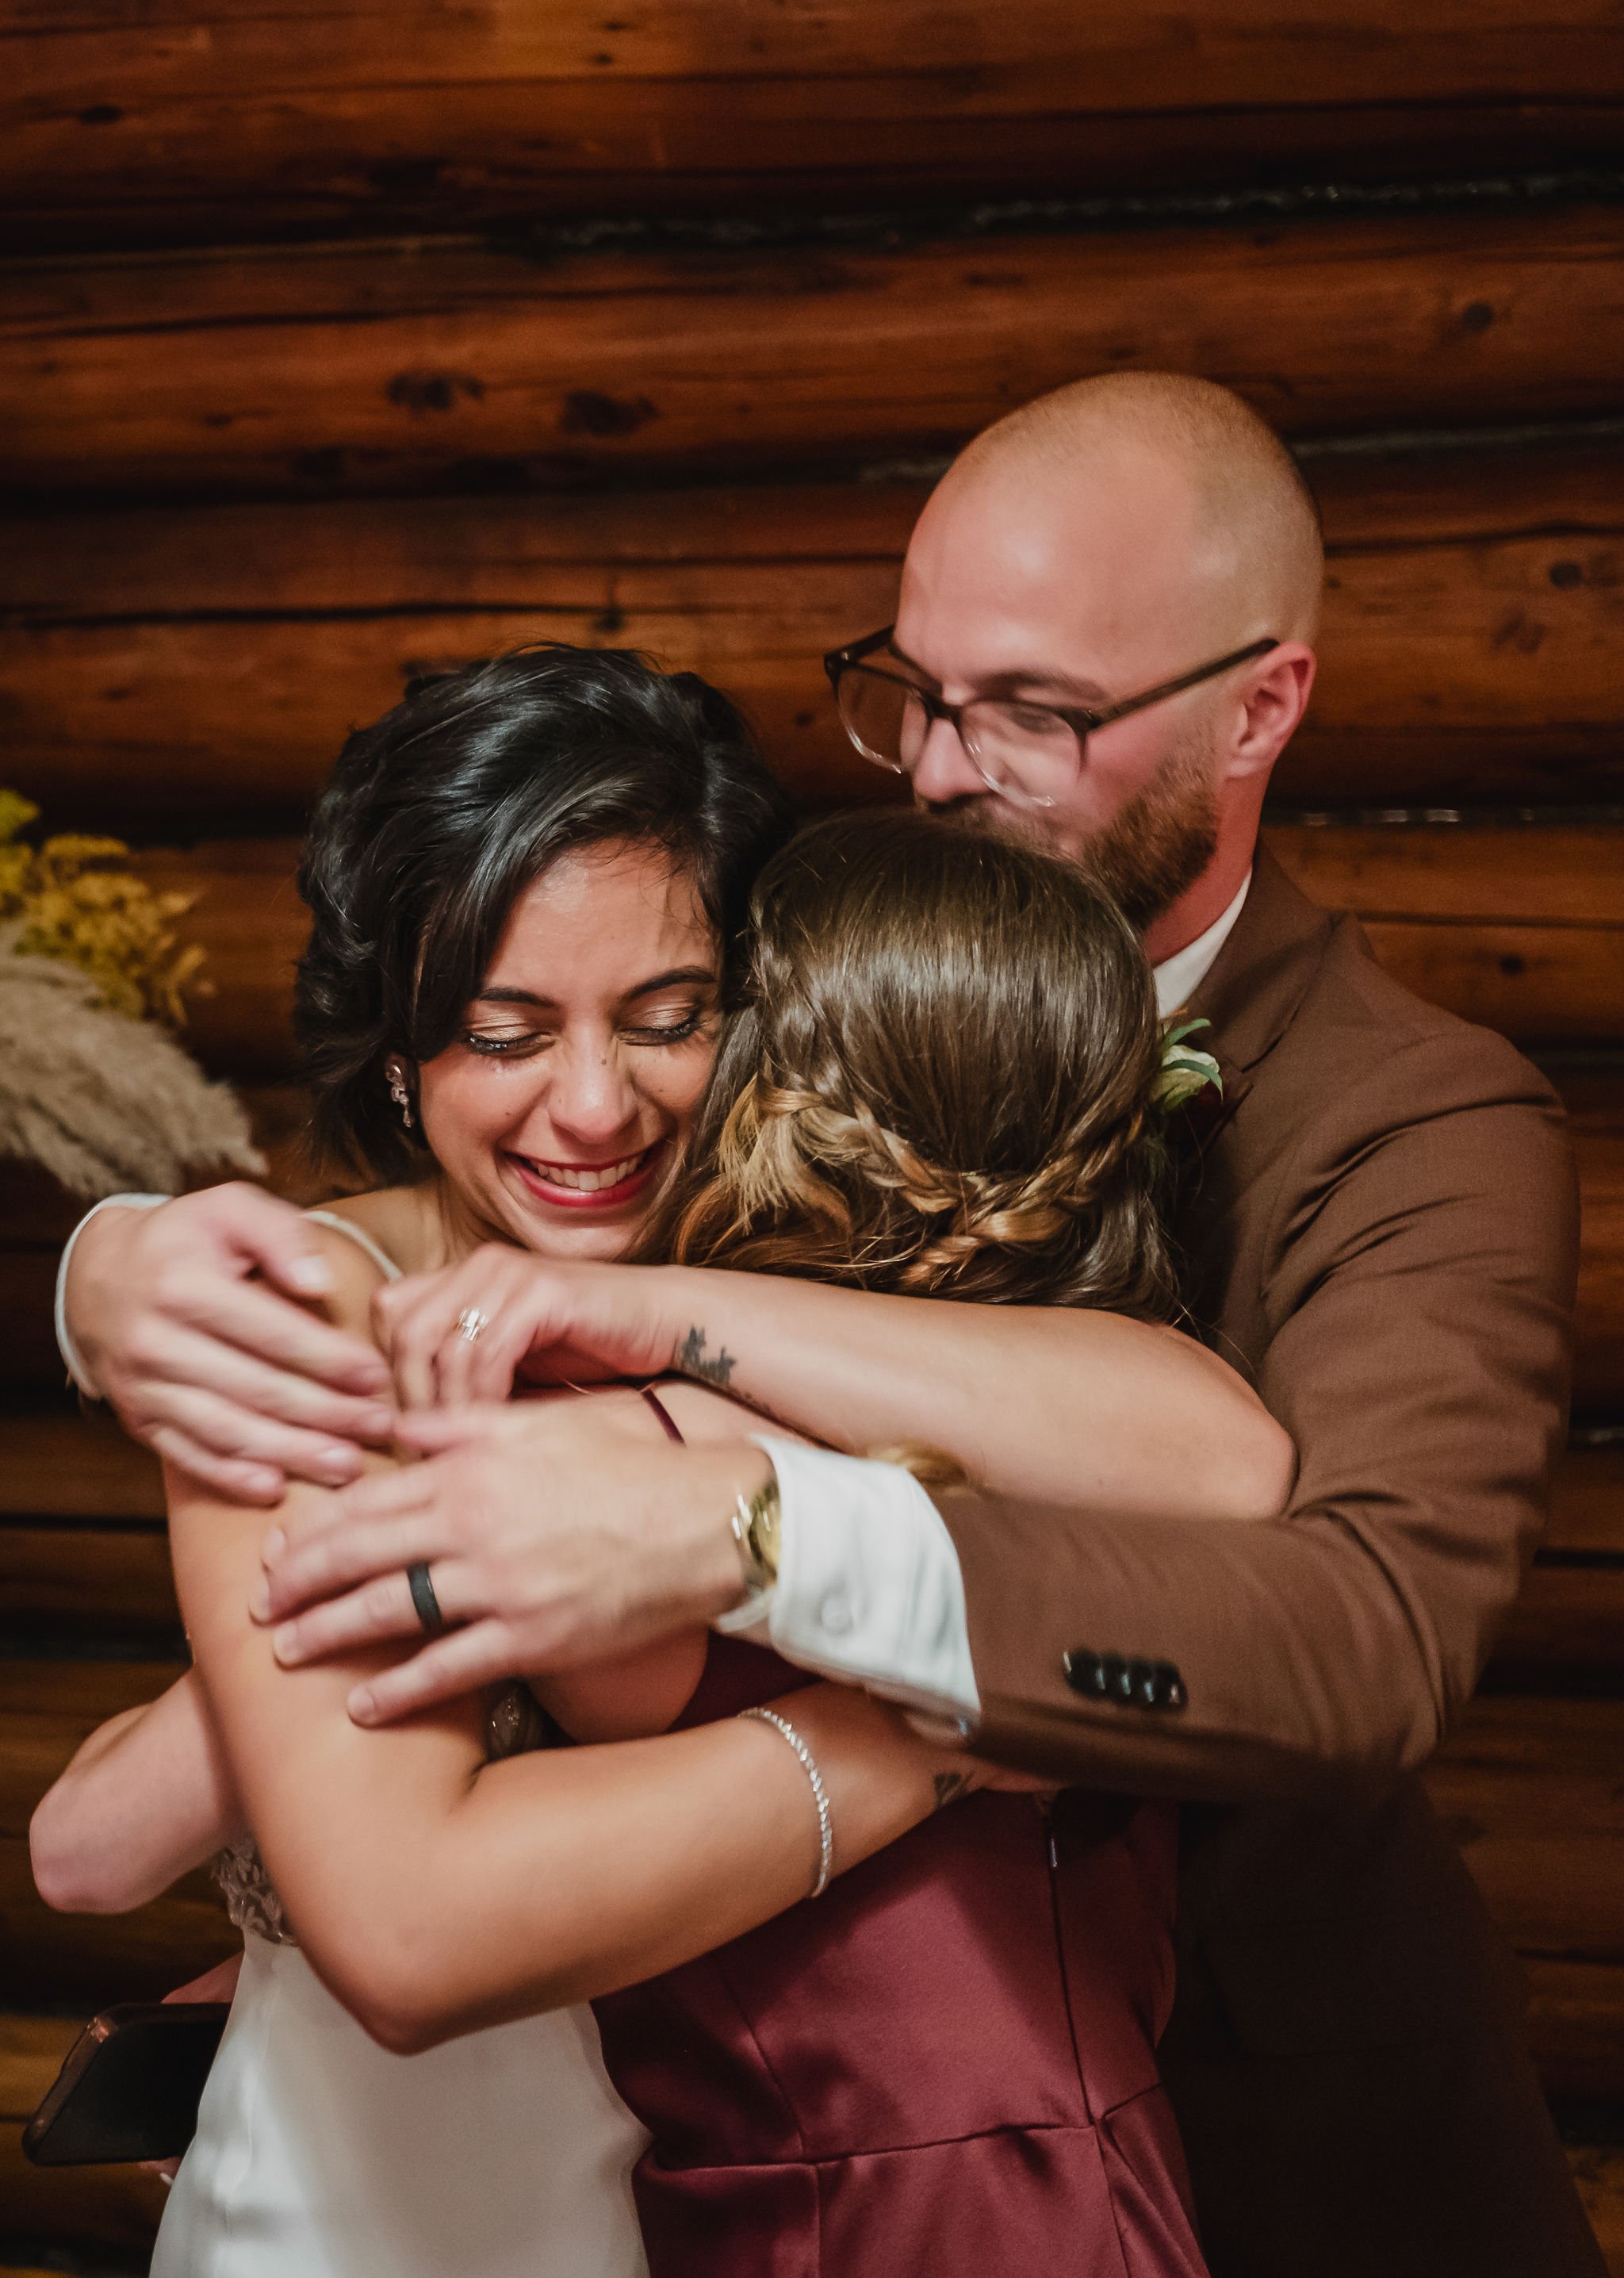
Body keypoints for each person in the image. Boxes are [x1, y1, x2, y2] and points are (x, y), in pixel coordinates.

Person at [54, 374, 1599, 2277]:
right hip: (725, 2131)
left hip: (1234, 2112)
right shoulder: (767, 971)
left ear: (1258, 705)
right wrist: (111, 1260)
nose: (943, 768)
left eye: (1031, 711)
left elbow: (1357, 1622)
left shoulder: (1412, 1118)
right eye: (912, 692)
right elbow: (157, 1844)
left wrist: (739, 1523)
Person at [36, 646, 1287, 2276]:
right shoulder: (312, 1309)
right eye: (501, 1033)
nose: (592, 1108)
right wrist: (943, 1724)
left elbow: (1220, 1455)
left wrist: (655, 1317)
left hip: (738, 2204)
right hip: (394, 2216)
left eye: (669, 1019)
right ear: (403, 1056)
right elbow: (358, 1916)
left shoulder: (793, 1260)